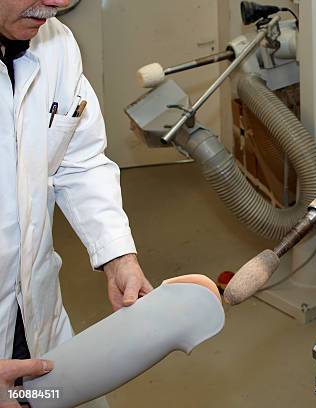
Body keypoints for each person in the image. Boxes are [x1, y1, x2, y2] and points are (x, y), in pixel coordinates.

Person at [0, 0, 152, 402]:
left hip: (37, 319)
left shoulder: (57, 43)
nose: (59, 2)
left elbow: (79, 161)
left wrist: (118, 256)